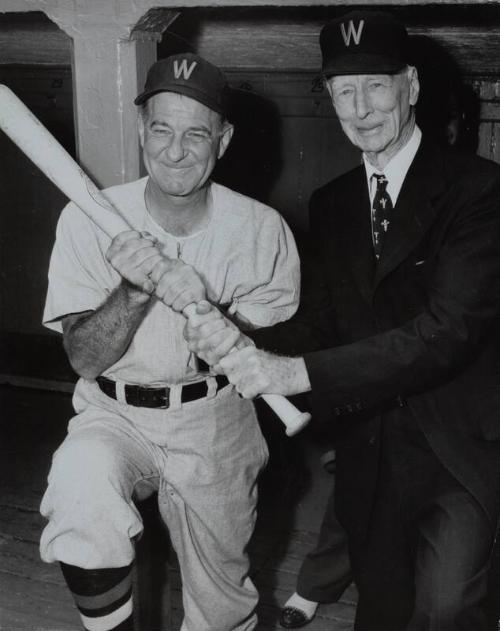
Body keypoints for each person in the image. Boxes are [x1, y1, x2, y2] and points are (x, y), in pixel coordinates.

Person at [184, 12, 500, 631]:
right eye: (344, 91)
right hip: (369, 451)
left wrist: (292, 370)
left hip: (456, 449)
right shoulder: (333, 204)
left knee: (447, 606)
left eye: (376, 85)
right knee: (382, 610)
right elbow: (324, 322)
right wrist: (237, 343)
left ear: (410, 85)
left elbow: (446, 331)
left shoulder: (478, 189)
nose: (362, 107)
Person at [39, 52, 300, 631]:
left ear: (224, 139)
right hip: (114, 411)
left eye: (195, 133)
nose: (175, 150)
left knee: (221, 598)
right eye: (161, 128)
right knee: (81, 484)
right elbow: (82, 358)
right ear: (141, 130)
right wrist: (134, 291)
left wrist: (227, 324)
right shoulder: (89, 218)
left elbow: (276, 343)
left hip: (214, 417)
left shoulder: (261, 229)